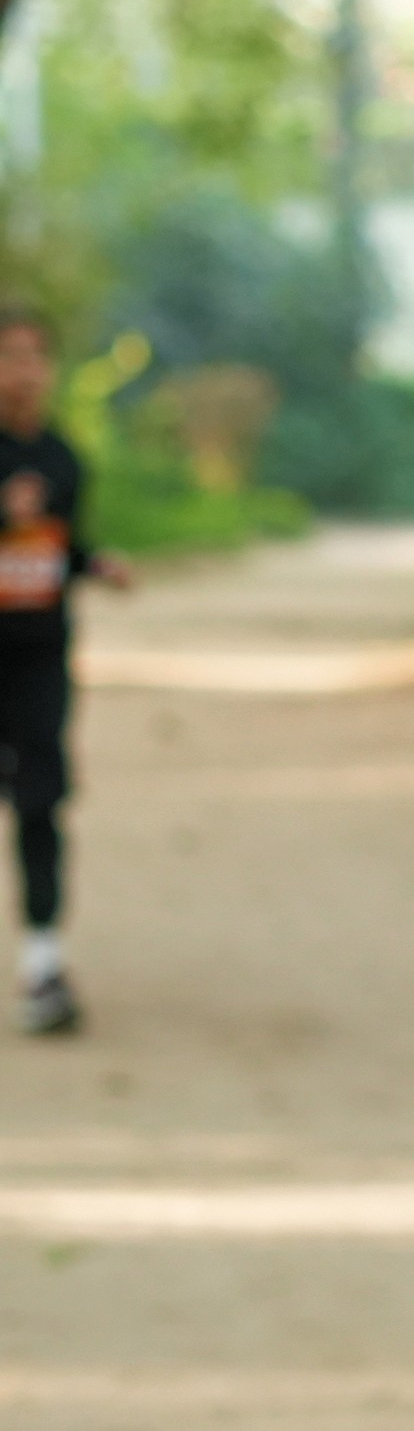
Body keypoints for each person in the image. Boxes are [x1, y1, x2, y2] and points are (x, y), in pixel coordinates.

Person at [0, 303, 134, 1037]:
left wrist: (95, 564)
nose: (23, 372)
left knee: (41, 799)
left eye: (34, 356)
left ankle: (43, 962)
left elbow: (60, 547)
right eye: (9, 356)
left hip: (39, 657)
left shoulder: (62, 459)